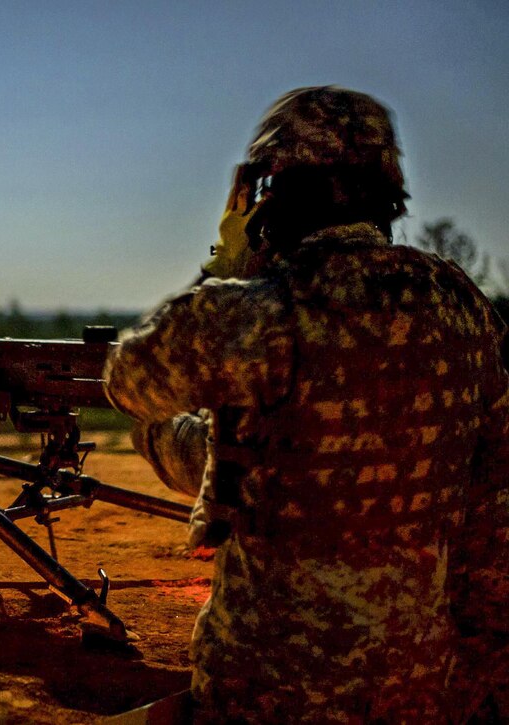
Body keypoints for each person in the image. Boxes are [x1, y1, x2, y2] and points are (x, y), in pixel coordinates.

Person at [104, 86, 509, 722]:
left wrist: (226, 262)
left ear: (266, 192)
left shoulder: (267, 313)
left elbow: (129, 383)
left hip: (268, 688)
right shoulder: (461, 305)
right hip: (415, 684)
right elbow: (491, 497)